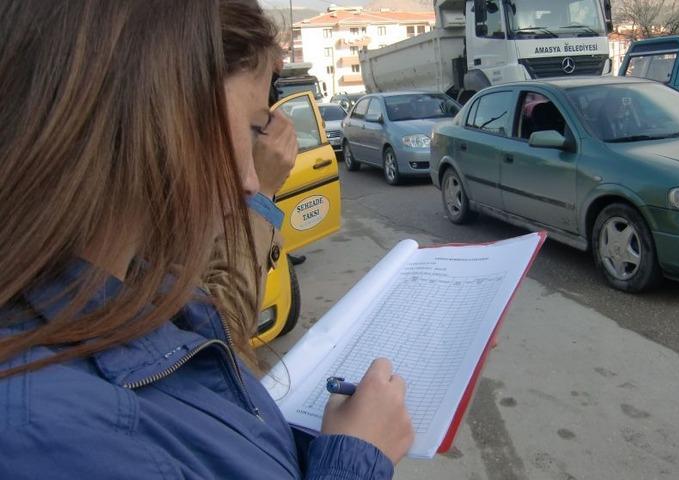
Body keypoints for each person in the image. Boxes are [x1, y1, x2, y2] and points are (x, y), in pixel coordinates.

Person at [0, 1, 413, 478]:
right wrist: (354, 458)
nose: (250, 182)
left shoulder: (135, 292)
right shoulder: (51, 433)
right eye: (255, 125)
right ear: (158, 109)